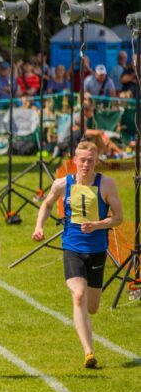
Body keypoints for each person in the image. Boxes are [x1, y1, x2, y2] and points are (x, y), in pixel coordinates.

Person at [33, 142, 123, 368]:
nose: (85, 164)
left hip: (97, 250)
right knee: (78, 295)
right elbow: (47, 203)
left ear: (96, 162)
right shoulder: (63, 183)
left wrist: (98, 224)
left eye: (90, 161)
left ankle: (88, 342)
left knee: (92, 306)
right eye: (82, 160)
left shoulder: (106, 184)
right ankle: (89, 352)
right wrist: (39, 227)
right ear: (74, 160)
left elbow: (119, 217)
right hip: (72, 248)